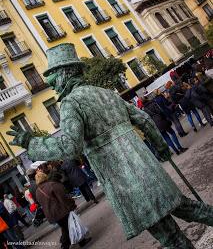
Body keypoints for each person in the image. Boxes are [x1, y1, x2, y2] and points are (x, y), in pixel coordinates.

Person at [7, 43, 213, 249]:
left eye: (51, 76)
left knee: (170, 237)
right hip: (147, 167)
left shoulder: (71, 103)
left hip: (126, 183)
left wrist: (30, 142)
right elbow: (144, 120)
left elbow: (70, 146)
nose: (50, 83)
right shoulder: (106, 93)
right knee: (190, 208)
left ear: (64, 73)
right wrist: (161, 149)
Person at [35, 171, 91, 249]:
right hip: (61, 211)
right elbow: (63, 198)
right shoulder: (51, 185)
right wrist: (72, 205)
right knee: (67, 228)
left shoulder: (37, 191)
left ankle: (81, 241)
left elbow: (41, 203)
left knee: (67, 227)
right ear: (45, 176)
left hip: (51, 215)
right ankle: (65, 246)